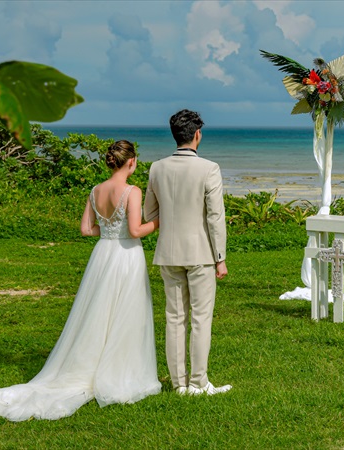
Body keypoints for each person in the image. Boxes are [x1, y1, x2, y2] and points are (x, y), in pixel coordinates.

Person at [0, 140, 162, 421]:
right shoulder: (132, 191)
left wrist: (108, 233)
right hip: (126, 256)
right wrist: (159, 221)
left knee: (97, 312)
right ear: (132, 162)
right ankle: (120, 371)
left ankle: (92, 363)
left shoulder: (95, 190)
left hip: (102, 254)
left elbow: (85, 229)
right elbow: (137, 230)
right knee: (126, 312)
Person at [144, 109, 230, 396]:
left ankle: (179, 383)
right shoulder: (209, 168)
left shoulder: (157, 167)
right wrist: (221, 258)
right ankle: (198, 382)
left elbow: (149, 213)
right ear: (197, 135)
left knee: (174, 317)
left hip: (168, 252)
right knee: (200, 319)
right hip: (201, 254)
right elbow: (215, 216)